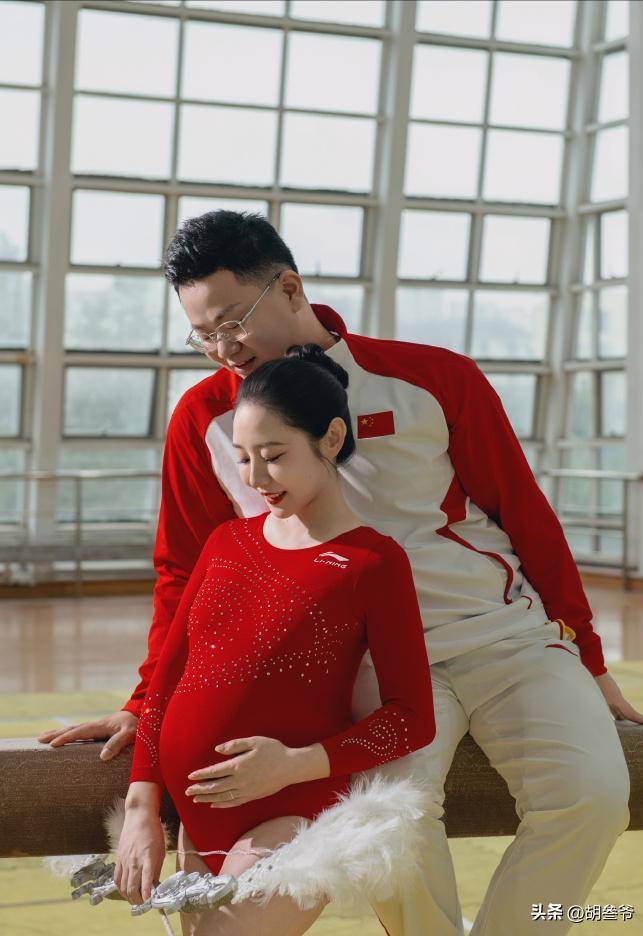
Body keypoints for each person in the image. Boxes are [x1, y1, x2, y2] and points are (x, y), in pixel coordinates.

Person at [39, 211, 643, 936]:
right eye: (202, 335)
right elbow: (183, 574)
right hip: (365, 670)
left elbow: (528, 519)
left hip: (503, 637)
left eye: (232, 322)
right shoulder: (203, 418)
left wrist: (588, 658)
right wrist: (146, 701)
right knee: (385, 829)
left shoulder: (433, 378)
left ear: (289, 288)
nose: (223, 349)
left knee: (593, 797)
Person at [114, 345, 436, 933]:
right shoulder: (226, 542)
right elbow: (167, 680)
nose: (256, 478)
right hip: (194, 827)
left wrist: (292, 765)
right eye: (242, 458)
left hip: (289, 821)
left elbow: (412, 719)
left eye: (274, 456)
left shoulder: (373, 562)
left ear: (331, 438)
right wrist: (141, 807)